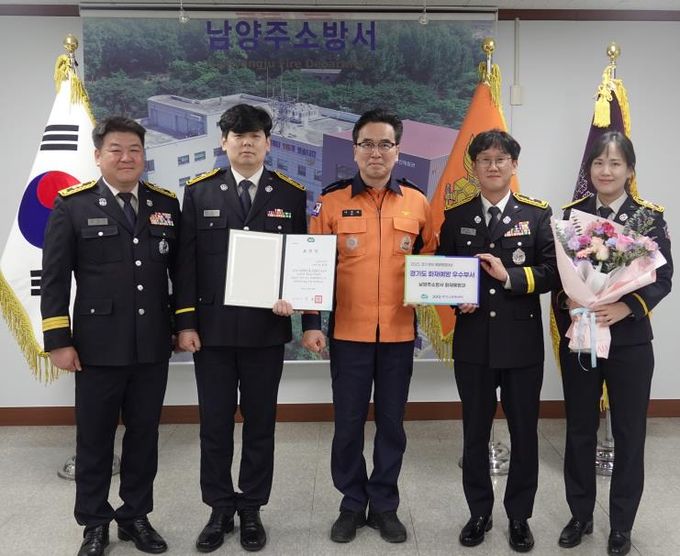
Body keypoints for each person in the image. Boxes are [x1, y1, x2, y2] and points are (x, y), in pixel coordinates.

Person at [40, 117, 179, 556]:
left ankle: (135, 516)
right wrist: (58, 339)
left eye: (134, 149)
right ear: (98, 155)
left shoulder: (165, 204)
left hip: (151, 344)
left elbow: (181, 272)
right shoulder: (73, 205)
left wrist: (183, 325)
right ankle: (94, 523)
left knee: (144, 437)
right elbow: (54, 277)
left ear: (144, 155)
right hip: (97, 346)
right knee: (94, 440)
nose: (126, 157)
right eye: (116, 149)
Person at [174, 103, 307, 553]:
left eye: (255, 137)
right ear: (223, 141)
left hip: (265, 331)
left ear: (268, 143)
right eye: (238, 136)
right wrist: (185, 323)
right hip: (211, 333)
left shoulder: (290, 194)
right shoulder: (199, 192)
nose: (246, 143)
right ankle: (218, 508)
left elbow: (302, 261)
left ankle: (251, 507)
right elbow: (186, 265)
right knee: (214, 425)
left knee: (260, 425)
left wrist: (297, 302)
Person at [301, 108, 435, 544]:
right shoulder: (331, 202)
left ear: (398, 150)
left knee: (392, 424)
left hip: (398, 334)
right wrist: (311, 323)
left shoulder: (417, 202)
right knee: (348, 424)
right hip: (349, 334)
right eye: (367, 144)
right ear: (355, 150)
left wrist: (439, 297)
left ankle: (384, 505)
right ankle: (351, 503)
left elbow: (432, 260)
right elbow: (313, 268)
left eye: (385, 144)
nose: (376, 153)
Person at [437, 129, 557, 552]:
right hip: (473, 344)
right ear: (474, 167)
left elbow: (552, 273)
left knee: (524, 434)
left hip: (521, 345)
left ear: (513, 165)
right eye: (484, 159)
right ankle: (479, 513)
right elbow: (443, 271)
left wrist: (510, 277)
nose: (492, 166)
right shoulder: (457, 216)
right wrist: (457, 298)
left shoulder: (537, 215)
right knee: (474, 433)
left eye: (500, 159)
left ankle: (519, 517)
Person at [554, 131, 673, 556]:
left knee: (629, 432)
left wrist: (628, 307)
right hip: (583, 338)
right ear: (589, 169)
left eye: (615, 163)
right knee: (579, 429)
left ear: (629, 170)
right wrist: (569, 301)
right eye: (599, 163)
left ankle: (621, 524)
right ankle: (580, 515)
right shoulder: (572, 216)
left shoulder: (647, 218)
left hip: (629, 343)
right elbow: (559, 275)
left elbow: (662, 278)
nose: (606, 171)